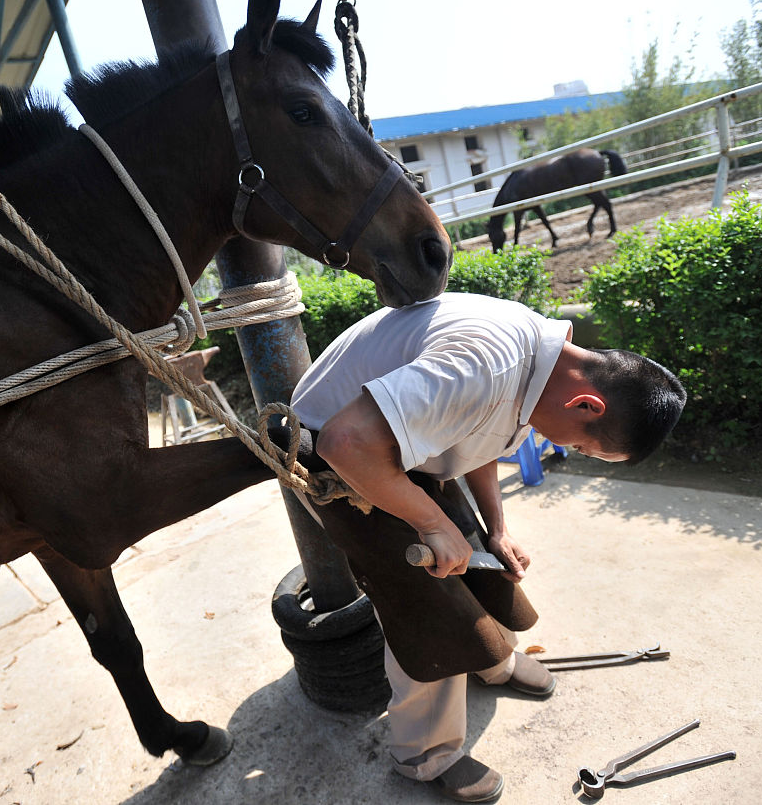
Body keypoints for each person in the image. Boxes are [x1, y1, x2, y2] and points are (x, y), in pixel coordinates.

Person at [290, 292, 686, 803]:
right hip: (339, 459)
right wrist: (430, 521)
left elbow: (480, 427)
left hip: (401, 443)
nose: (569, 451)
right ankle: (425, 754)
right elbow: (343, 444)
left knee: (478, 556)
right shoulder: (484, 361)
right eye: (583, 445)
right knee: (426, 601)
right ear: (586, 405)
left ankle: (492, 661)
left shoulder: (545, 367)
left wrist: (496, 527)